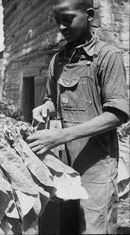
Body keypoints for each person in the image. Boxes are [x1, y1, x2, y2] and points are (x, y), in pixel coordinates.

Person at [26, 0, 129, 234]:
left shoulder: (107, 56)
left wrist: (60, 136)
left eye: (68, 19)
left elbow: (117, 114)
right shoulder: (59, 59)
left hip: (97, 164)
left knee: (94, 227)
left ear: (89, 15)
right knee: (68, 225)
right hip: (63, 162)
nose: (61, 27)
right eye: (57, 22)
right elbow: (51, 99)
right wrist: (45, 108)